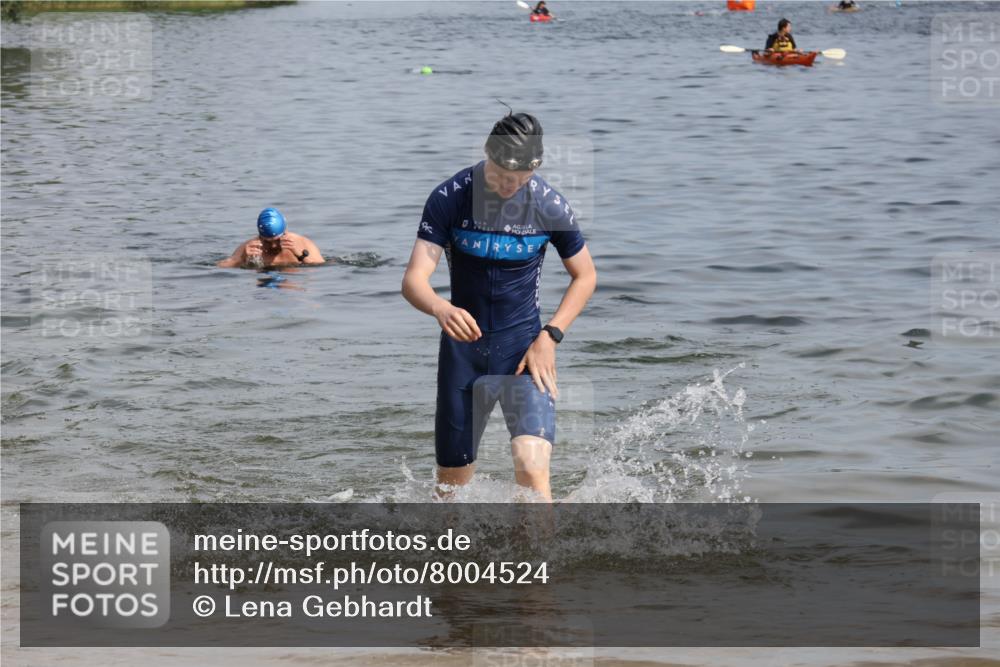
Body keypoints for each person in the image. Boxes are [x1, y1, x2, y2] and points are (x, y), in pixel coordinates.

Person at [401, 112, 597, 502]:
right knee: (450, 491)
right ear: (487, 154)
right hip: (462, 356)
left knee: (531, 464)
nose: (509, 186)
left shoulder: (549, 205)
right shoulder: (450, 197)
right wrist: (441, 308)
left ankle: (540, 562)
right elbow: (413, 281)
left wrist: (551, 336)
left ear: (534, 168)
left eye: (519, 178)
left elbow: (586, 276)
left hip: (524, 353)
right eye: (500, 175)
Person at [217, 207, 325, 269]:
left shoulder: (302, 243)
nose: (273, 245)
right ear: (260, 236)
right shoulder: (250, 247)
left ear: (285, 231)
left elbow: (321, 267)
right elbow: (221, 267)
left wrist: (300, 256)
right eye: (267, 242)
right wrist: (241, 258)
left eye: (278, 240)